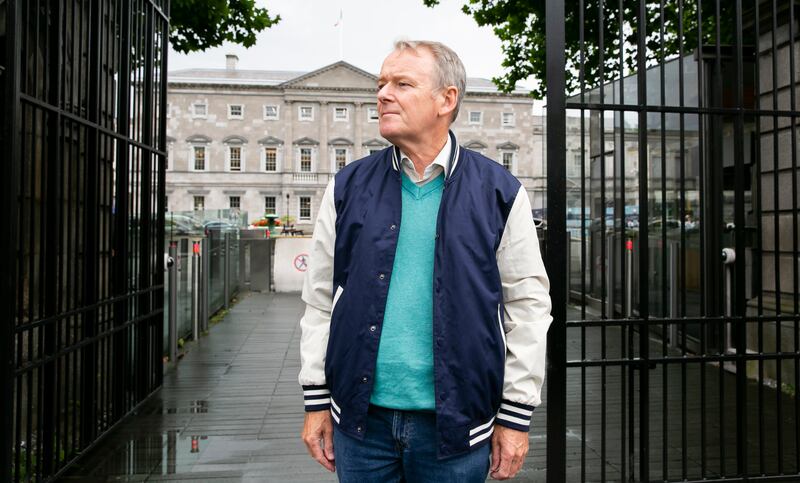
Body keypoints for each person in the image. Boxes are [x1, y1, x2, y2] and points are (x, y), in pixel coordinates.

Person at [298, 40, 552, 482]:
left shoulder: (500, 191)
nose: (382, 94)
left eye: (402, 83)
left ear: (446, 99)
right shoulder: (346, 186)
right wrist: (316, 400)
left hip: (457, 426)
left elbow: (528, 307)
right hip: (360, 425)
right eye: (380, 83)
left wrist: (515, 416)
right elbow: (321, 299)